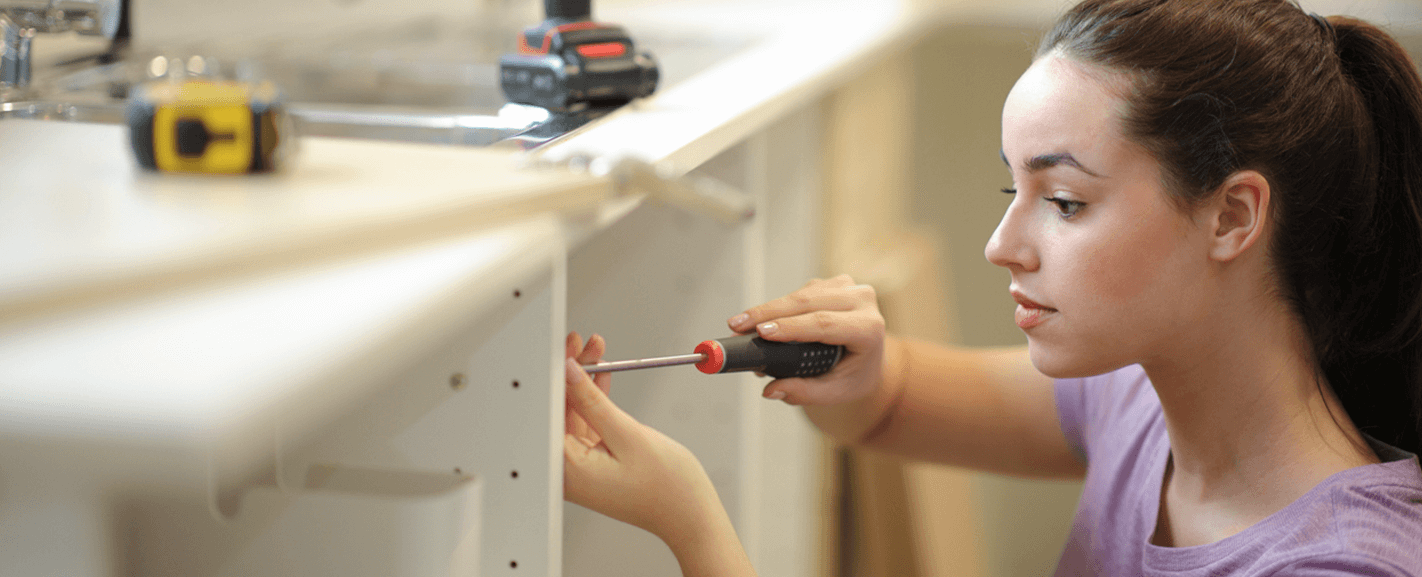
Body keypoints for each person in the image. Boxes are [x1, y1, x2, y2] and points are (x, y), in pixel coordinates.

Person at [561, 0, 1422, 574]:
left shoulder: (1337, 563)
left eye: (1067, 201)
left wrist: (690, 523)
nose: (1001, 246)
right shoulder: (1137, 402)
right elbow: (887, 404)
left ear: (1233, 216)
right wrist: (865, 372)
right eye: (1014, 193)